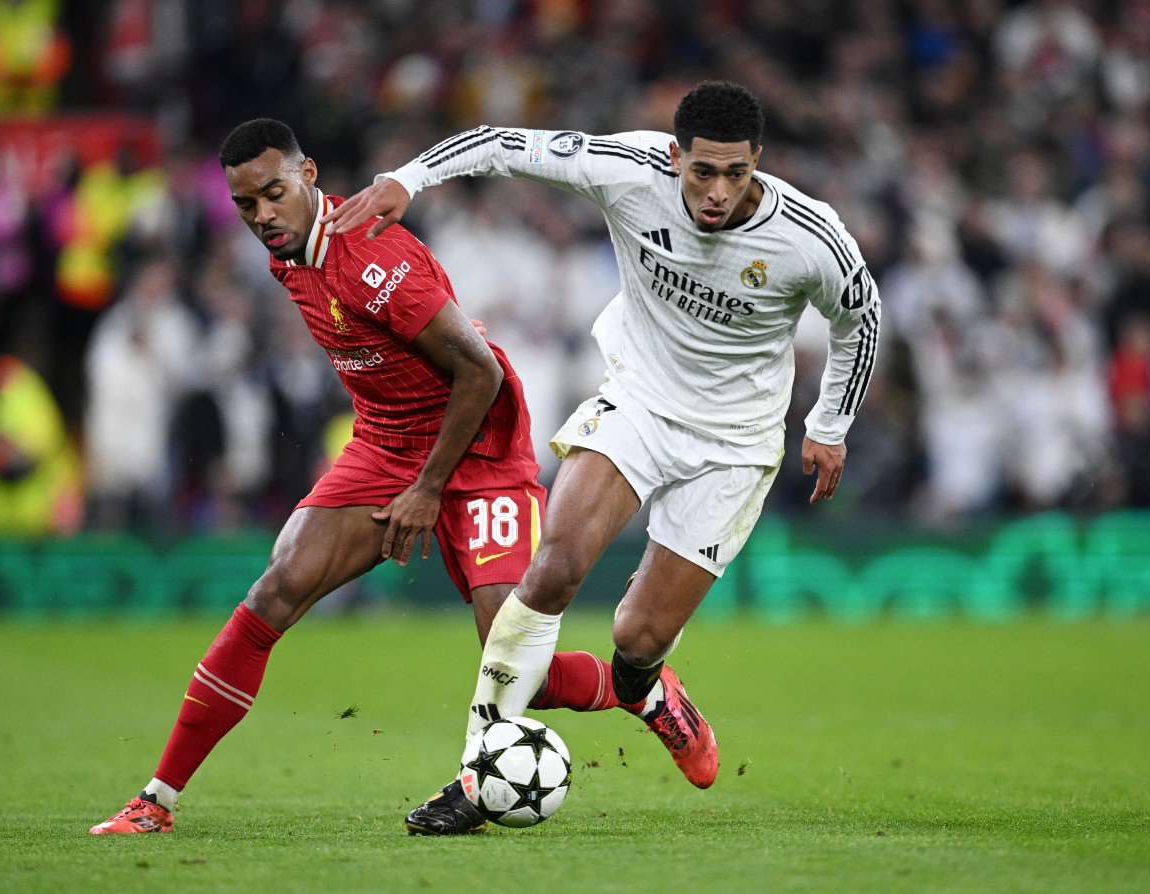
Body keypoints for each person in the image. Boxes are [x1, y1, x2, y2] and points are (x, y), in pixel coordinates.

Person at [89, 119, 696, 837]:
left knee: (510, 658)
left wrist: (429, 488)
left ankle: (646, 694)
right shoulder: (290, 256)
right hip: (385, 446)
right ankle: (155, 800)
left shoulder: (373, 258)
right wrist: (403, 469)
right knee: (276, 587)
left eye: (274, 194)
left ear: (309, 175)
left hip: (481, 454)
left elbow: (482, 370)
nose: (262, 217)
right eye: (246, 205)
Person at [323, 81, 882, 825]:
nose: (717, 192)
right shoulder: (629, 168)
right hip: (641, 403)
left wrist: (831, 423)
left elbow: (862, 318)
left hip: (737, 444)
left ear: (758, 162)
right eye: (701, 171)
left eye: (736, 174)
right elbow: (502, 144)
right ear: (675, 155)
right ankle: (477, 772)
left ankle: (648, 689)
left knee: (636, 637)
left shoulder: (811, 237)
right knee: (550, 571)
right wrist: (409, 177)